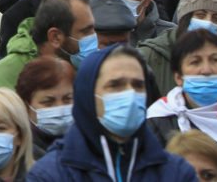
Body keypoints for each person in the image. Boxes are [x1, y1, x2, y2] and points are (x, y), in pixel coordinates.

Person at [27, 44, 198, 182]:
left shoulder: (177, 172)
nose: (130, 94)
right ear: (88, 95)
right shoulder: (50, 174)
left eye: (138, 85)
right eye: (115, 85)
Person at [146, 28, 217, 168]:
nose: (207, 70)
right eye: (195, 62)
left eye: (215, 60)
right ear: (178, 77)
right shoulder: (158, 120)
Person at [140, 0, 217, 99]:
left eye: (216, 18)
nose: (208, 22)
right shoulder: (149, 56)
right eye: (200, 15)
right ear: (185, 18)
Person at [14, 57, 75, 159]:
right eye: (48, 102)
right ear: (26, 106)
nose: (60, 108)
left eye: (67, 99)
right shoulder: (19, 153)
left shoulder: (91, 142)